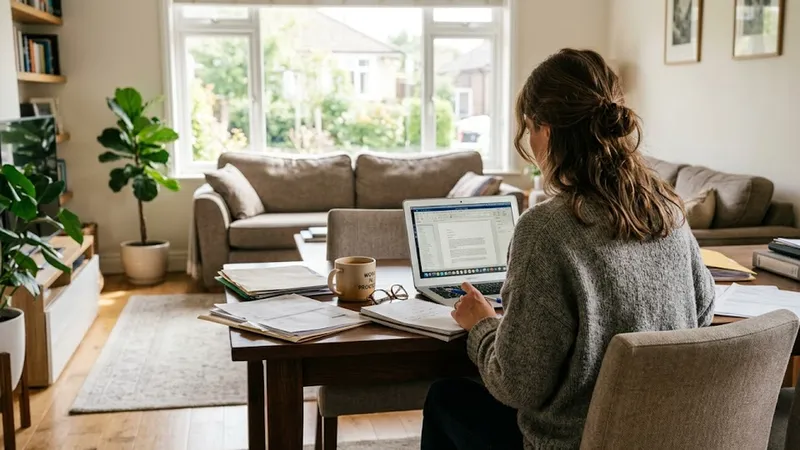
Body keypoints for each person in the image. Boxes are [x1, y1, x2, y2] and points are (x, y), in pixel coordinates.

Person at [420, 48, 715, 450]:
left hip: (574, 442)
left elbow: (517, 385)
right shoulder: (667, 209)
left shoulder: (545, 229)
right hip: (663, 435)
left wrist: (483, 324)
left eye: (529, 129)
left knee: (446, 398)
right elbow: (702, 309)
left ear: (545, 128)